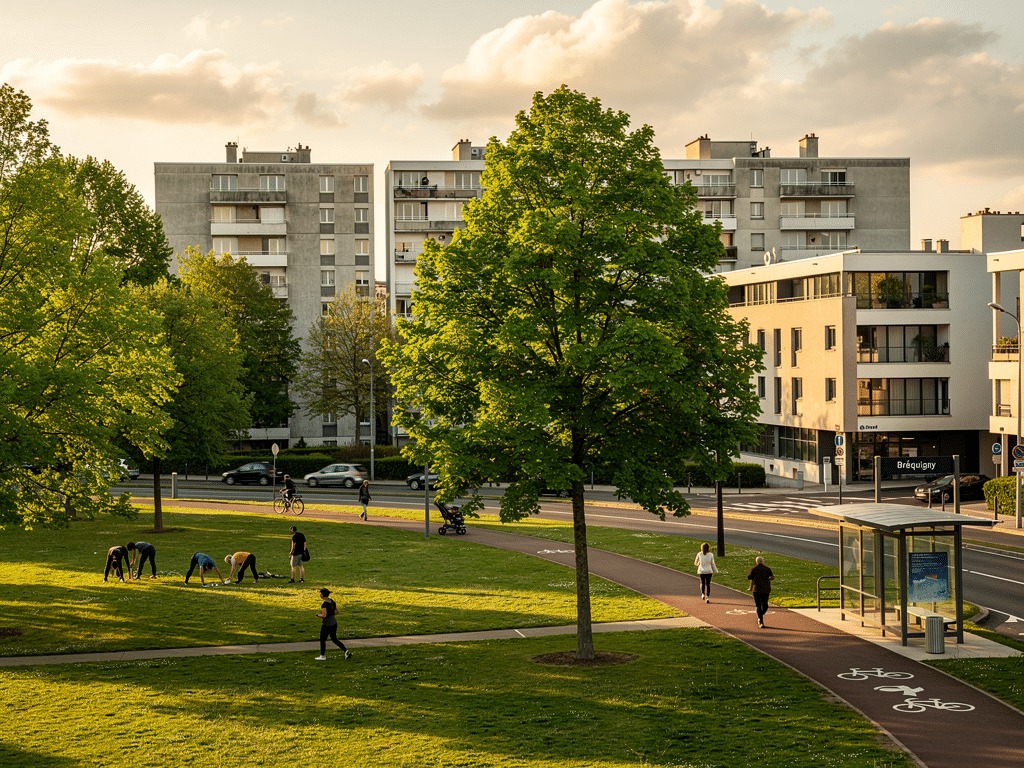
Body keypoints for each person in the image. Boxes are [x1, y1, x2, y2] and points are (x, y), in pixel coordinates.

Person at [315, 588, 352, 661]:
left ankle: (322, 656)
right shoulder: (332, 601)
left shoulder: (324, 604)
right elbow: (336, 612)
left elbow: (324, 615)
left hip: (326, 624)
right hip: (334, 623)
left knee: (322, 639)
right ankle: (346, 651)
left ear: (322, 595)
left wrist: (318, 615)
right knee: (334, 639)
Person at [747, 556, 775, 628]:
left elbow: (749, 577)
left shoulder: (754, 569)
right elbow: (772, 577)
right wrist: (768, 579)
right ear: (763, 561)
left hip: (756, 589)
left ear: (756, 561)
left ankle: (760, 617)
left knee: (758, 605)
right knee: (765, 605)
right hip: (765, 589)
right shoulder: (767, 569)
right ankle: (761, 619)